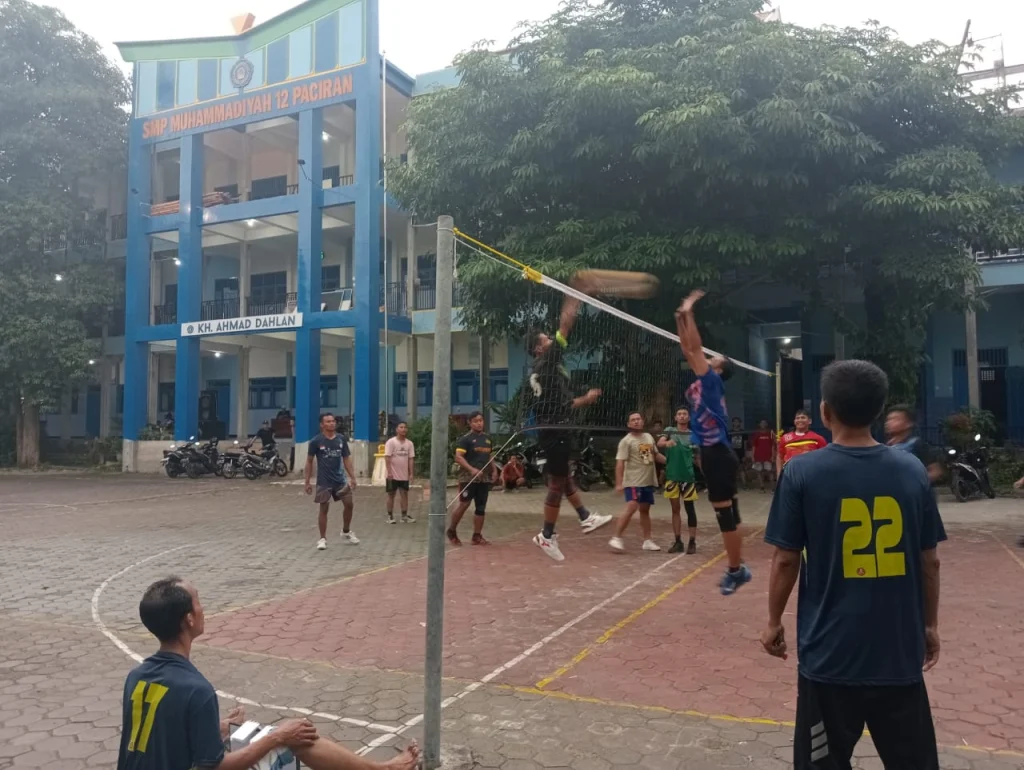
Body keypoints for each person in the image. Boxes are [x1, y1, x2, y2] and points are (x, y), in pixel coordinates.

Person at [761, 360, 945, 770]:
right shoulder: (912, 471)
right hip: (897, 651)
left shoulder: (802, 472)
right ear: (879, 412)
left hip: (830, 656)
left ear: (825, 412)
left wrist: (773, 620)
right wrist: (929, 626)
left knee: (821, 762)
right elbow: (929, 562)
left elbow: (786, 558)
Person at [117, 577, 419, 770]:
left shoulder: (137, 676)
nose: (203, 608)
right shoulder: (196, 689)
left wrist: (218, 726)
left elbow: (160, 733)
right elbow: (216, 767)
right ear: (189, 619)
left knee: (279, 734)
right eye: (199, 603)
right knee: (290, 738)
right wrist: (277, 737)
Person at [527, 277, 613, 561]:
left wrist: (585, 400)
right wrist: (577, 294)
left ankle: (585, 517)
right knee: (557, 481)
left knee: (563, 478)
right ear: (540, 349)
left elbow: (562, 403)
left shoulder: (545, 370)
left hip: (553, 425)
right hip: (554, 429)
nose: (551, 341)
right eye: (546, 340)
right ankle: (547, 535)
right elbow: (565, 325)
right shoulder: (548, 360)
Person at [675, 290, 751, 595]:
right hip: (715, 453)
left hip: (717, 454)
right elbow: (687, 348)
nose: (710, 354)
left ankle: (736, 570)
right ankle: (738, 565)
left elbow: (693, 347)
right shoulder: (705, 379)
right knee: (731, 513)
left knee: (725, 516)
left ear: (720, 367)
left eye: (715, 357)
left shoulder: (711, 380)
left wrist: (689, 311)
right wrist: (681, 318)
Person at [609, 412, 665, 552]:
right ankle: (616, 537)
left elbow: (654, 455)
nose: (636, 422)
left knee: (645, 510)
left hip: (647, 481)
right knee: (632, 506)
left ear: (642, 421)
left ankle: (647, 540)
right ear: (629, 424)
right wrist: (619, 483)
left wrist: (672, 462)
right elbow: (620, 463)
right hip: (633, 481)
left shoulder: (647, 437)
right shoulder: (626, 441)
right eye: (633, 420)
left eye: (638, 419)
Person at [304, 413, 358, 551]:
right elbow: (309, 461)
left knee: (349, 504)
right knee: (324, 508)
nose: (332, 423)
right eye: (328, 421)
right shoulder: (316, 441)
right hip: (324, 481)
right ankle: (322, 539)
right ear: (322, 424)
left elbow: (346, 459)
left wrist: (352, 477)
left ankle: (346, 531)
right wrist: (307, 481)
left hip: (340, 480)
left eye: (333, 421)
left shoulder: (341, 439)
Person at [448, 411, 498, 546]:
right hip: (468, 478)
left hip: (484, 478)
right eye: (476, 421)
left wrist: (494, 470)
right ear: (470, 423)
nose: (479, 423)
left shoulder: (487, 439)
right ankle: (452, 530)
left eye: (481, 420)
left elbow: (490, 456)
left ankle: (477, 536)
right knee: (464, 504)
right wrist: (472, 469)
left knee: (481, 507)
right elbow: (458, 457)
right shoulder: (465, 439)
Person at [659, 407, 700, 554]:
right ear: (675, 417)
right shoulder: (669, 430)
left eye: (685, 414)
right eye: (679, 414)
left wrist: (705, 472)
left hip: (688, 477)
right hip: (672, 477)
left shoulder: (693, 435)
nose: (682, 416)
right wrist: (666, 443)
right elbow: (659, 443)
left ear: (688, 418)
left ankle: (692, 542)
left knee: (690, 509)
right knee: (675, 509)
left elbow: (698, 457)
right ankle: (678, 541)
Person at [885, 406, 943, 485]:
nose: (889, 423)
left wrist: (913, 482)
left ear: (908, 424)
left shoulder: (917, 445)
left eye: (895, 419)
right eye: (888, 419)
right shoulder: (887, 447)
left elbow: (936, 471)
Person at [777, 410, 828, 476]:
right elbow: (780, 457)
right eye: (797, 418)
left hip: (810, 475)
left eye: (803, 417)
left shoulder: (818, 439)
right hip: (790, 475)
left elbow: (824, 459)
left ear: (809, 421)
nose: (800, 420)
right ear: (794, 421)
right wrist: (779, 475)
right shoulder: (785, 438)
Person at [384, 422, 416, 524]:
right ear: (397, 429)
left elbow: (410, 459)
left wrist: (411, 474)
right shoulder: (391, 442)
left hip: (404, 475)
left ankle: (404, 516)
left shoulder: (409, 444)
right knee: (391, 495)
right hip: (392, 475)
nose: (403, 429)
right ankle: (390, 516)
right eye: (401, 427)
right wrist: (389, 472)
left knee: (404, 494)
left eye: (405, 427)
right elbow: (387, 457)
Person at [749, 419, 776, 492]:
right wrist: (752, 456)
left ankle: (773, 488)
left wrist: (773, 456)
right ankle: (762, 487)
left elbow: (773, 446)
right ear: (759, 424)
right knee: (759, 472)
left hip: (768, 456)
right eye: (761, 423)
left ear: (766, 424)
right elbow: (754, 446)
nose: (763, 424)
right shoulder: (756, 434)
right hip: (758, 456)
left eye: (764, 423)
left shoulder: (770, 433)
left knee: (770, 471)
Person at [650, 418, 666, 487]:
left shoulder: (664, 434)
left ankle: (661, 483)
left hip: (663, 454)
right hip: (654, 455)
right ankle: (656, 485)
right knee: (654, 470)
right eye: (656, 426)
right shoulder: (650, 435)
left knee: (663, 471)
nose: (657, 427)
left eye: (659, 426)